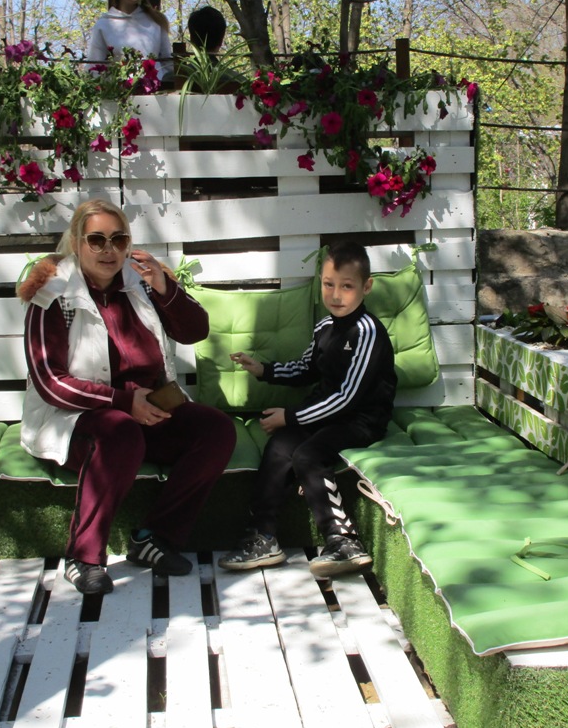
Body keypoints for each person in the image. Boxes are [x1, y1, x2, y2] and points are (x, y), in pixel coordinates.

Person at [19, 198, 235, 594]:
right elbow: (50, 381)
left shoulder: (140, 283)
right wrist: (122, 402)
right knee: (120, 432)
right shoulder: (54, 294)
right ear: (77, 243)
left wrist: (165, 287)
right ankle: (83, 557)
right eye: (96, 240)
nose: (109, 250)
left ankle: (155, 538)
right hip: (77, 417)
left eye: (118, 239)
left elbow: (195, 331)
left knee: (216, 430)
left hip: (147, 410)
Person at [218, 241, 397, 578]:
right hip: (326, 415)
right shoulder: (325, 328)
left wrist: (291, 416)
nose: (336, 295)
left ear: (366, 287)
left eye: (347, 286)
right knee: (280, 445)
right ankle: (263, 537)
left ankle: (343, 540)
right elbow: (305, 369)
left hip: (362, 419)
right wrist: (264, 370)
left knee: (307, 454)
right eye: (329, 284)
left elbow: (347, 397)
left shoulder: (367, 332)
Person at [86, 0, 172, 78]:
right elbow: (94, 68)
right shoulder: (104, 24)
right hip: (120, 87)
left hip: (156, 86)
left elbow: (168, 63)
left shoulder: (156, 20)